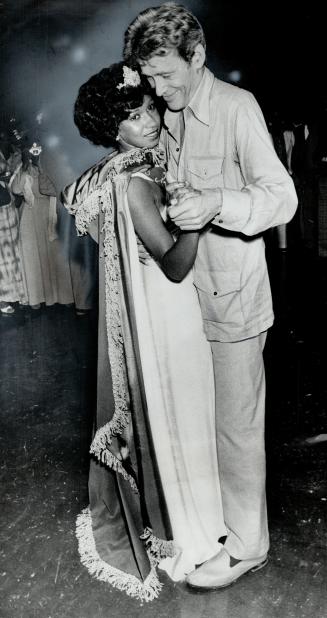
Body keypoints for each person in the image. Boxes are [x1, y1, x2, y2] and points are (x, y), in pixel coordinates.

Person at [124, 2, 298, 590]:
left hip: (233, 298)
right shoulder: (171, 114)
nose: (158, 88)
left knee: (236, 428)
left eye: (168, 75)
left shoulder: (234, 107)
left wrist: (219, 202)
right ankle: (214, 526)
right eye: (149, 77)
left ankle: (248, 546)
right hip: (187, 300)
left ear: (198, 58)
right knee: (204, 420)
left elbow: (283, 197)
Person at [62, 62, 225, 600]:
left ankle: (199, 525)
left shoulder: (141, 169)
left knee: (188, 417)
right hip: (168, 315)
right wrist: (197, 221)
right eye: (133, 116)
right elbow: (175, 265)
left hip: (168, 312)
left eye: (150, 107)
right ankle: (192, 536)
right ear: (114, 129)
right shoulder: (132, 180)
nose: (149, 120)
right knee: (183, 417)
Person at [11, 142, 75, 309]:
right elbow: (16, 189)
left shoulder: (49, 163)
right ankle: (37, 297)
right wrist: (22, 166)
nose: (34, 152)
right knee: (34, 258)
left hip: (49, 212)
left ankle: (62, 296)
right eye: (31, 150)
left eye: (37, 149)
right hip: (32, 215)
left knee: (54, 256)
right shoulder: (23, 168)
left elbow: (60, 183)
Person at [0, 153, 26, 314]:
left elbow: (4, 167)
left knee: (13, 258)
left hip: (9, 220)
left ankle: (16, 294)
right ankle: (2, 299)